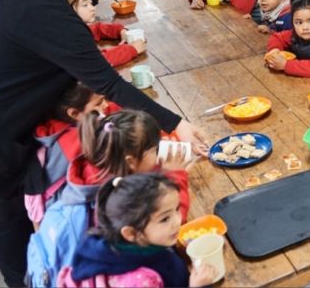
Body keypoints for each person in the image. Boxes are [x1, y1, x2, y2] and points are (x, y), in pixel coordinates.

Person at [0, 0, 203, 286]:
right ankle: (23, 278)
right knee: (5, 208)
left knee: (11, 205)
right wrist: (177, 123)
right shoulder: (50, 13)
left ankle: (38, 266)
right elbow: (106, 83)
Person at [27, 110, 190, 288]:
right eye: (154, 150)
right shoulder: (118, 199)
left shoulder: (94, 171)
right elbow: (168, 216)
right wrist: (175, 174)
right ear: (131, 161)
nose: (158, 153)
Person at [57, 173, 216, 288]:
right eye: (165, 219)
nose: (177, 220)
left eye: (177, 209)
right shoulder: (141, 281)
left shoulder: (109, 242)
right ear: (131, 233)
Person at [25, 83, 118, 226]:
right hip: (69, 213)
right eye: (99, 103)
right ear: (74, 113)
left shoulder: (53, 128)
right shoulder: (77, 141)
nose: (105, 105)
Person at [73, 0, 146, 67]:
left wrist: (120, 31)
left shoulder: (79, 27)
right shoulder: (71, 37)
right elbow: (94, 63)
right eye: (85, 5)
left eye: (91, 3)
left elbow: (97, 29)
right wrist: (131, 49)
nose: (93, 8)